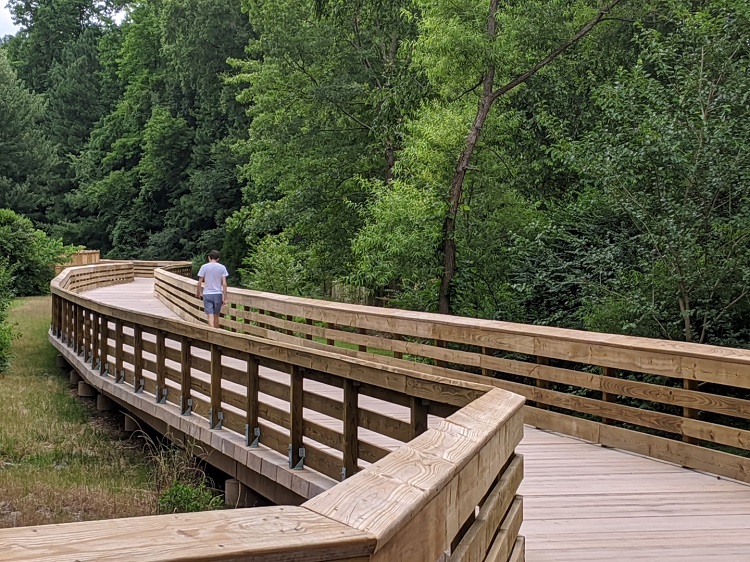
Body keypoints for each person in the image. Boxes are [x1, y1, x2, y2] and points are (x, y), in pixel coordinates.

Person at [195, 250, 228, 328]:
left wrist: (198, 293)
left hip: (207, 294)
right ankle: (216, 335)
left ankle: (211, 333)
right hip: (218, 294)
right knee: (216, 315)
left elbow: (199, 282)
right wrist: (225, 298)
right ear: (218, 259)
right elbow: (224, 284)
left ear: (209, 257)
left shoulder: (204, 267)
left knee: (210, 316)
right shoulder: (222, 267)